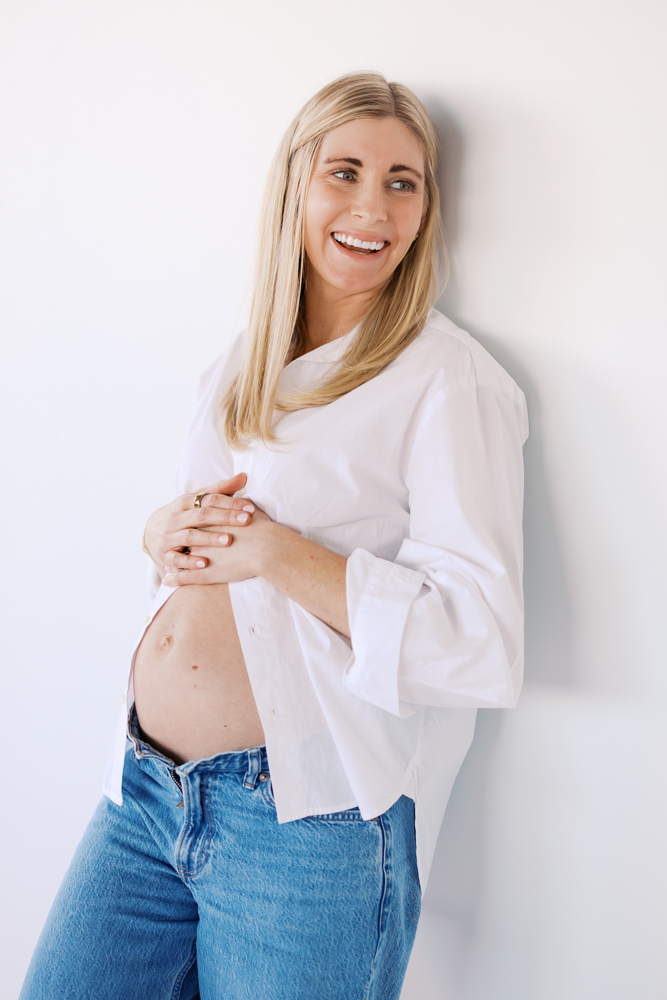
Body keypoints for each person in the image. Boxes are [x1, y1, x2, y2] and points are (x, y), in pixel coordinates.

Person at [20, 72, 528, 1000]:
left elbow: (480, 646)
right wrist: (157, 535)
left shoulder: (447, 383)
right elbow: (203, 538)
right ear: (295, 184)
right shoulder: (240, 361)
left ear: (426, 208)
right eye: (345, 172)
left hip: (300, 826)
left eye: (402, 181)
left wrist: (279, 554)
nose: (372, 206)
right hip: (143, 790)